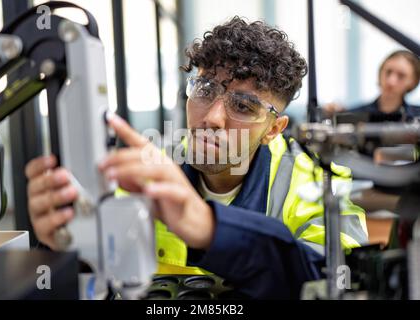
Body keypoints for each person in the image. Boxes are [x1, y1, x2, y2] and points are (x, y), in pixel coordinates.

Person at [25, 17, 368, 299]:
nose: (212, 118)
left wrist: (212, 228)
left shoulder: (320, 181)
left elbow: (343, 279)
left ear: (274, 129)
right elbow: (91, 273)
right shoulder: (141, 173)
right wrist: (61, 249)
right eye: (204, 90)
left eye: (244, 106)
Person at [323, 50, 420, 122]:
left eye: (401, 76)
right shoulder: (354, 116)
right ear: (380, 72)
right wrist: (328, 115)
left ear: (413, 81)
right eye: (388, 72)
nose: (391, 81)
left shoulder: (417, 117)